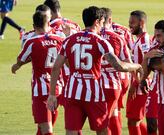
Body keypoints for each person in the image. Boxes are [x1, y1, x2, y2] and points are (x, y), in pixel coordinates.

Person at [47, 6, 143, 135]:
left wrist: (52, 95)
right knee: (102, 130)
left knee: (71, 132)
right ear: (97, 22)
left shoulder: (69, 40)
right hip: (93, 94)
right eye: (102, 23)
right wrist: (137, 66)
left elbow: (56, 67)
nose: (102, 26)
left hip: (72, 93)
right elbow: (119, 66)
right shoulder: (100, 41)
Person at [11, 11, 64, 135]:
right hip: (57, 89)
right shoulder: (60, 39)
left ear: (34, 26)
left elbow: (20, 60)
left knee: (47, 130)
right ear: (48, 23)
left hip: (41, 91)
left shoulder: (32, 42)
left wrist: (16, 66)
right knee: (42, 127)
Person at [100, 7, 131, 135]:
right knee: (115, 112)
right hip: (119, 80)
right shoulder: (120, 35)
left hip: (99, 82)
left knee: (104, 118)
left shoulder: (94, 35)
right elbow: (129, 59)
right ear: (110, 19)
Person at [127, 10, 151, 135]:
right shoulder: (139, 39)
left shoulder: (144, 41)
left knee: (133, 121)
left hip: (141, 86)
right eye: (129, 22)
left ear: (141, 23)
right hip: (137, 84)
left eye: (132, 23)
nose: (130, 25)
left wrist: (135, 85)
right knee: (135, 120)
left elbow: (146, 65)